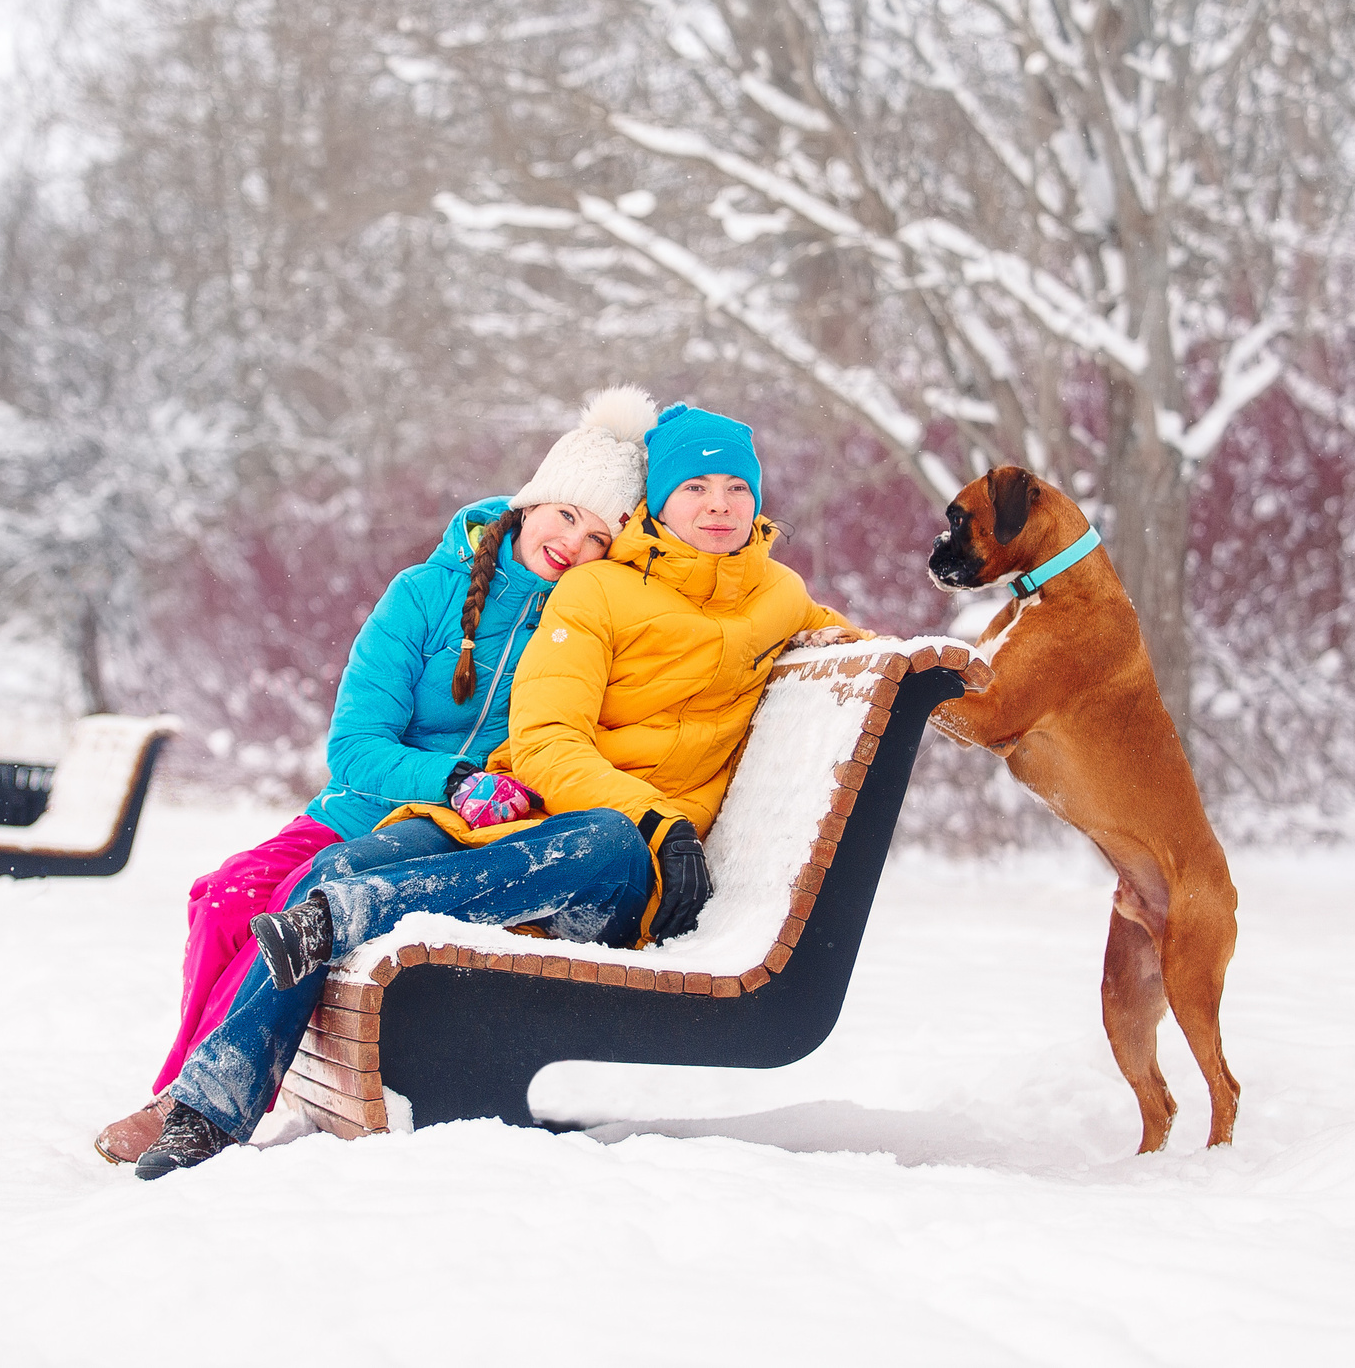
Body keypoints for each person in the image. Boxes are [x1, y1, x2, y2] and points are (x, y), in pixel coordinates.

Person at [135, 399, 863, 1178]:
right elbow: (400, 742)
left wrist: (937, 668)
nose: (717, 504)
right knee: (299, 879)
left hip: (617, 851)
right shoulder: (569, 594)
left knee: (603, 837)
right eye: (695, 487)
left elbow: (843, 635)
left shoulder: (770, 593)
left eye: (735, 488)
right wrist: (459, 779)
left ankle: (354, 917)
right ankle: (202, 1107)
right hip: (469, 815)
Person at [94, 386, 660, 1165]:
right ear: (533, 503)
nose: (573, 542)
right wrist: (453, 776)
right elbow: (355, 745)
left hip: (444, 839)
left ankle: (197, 1105)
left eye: (599, 536)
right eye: (567, 514)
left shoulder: (581, 629)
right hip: (359, 810)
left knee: (302, 897)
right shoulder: (425, 594)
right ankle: (179, 1092)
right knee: (225, 897)